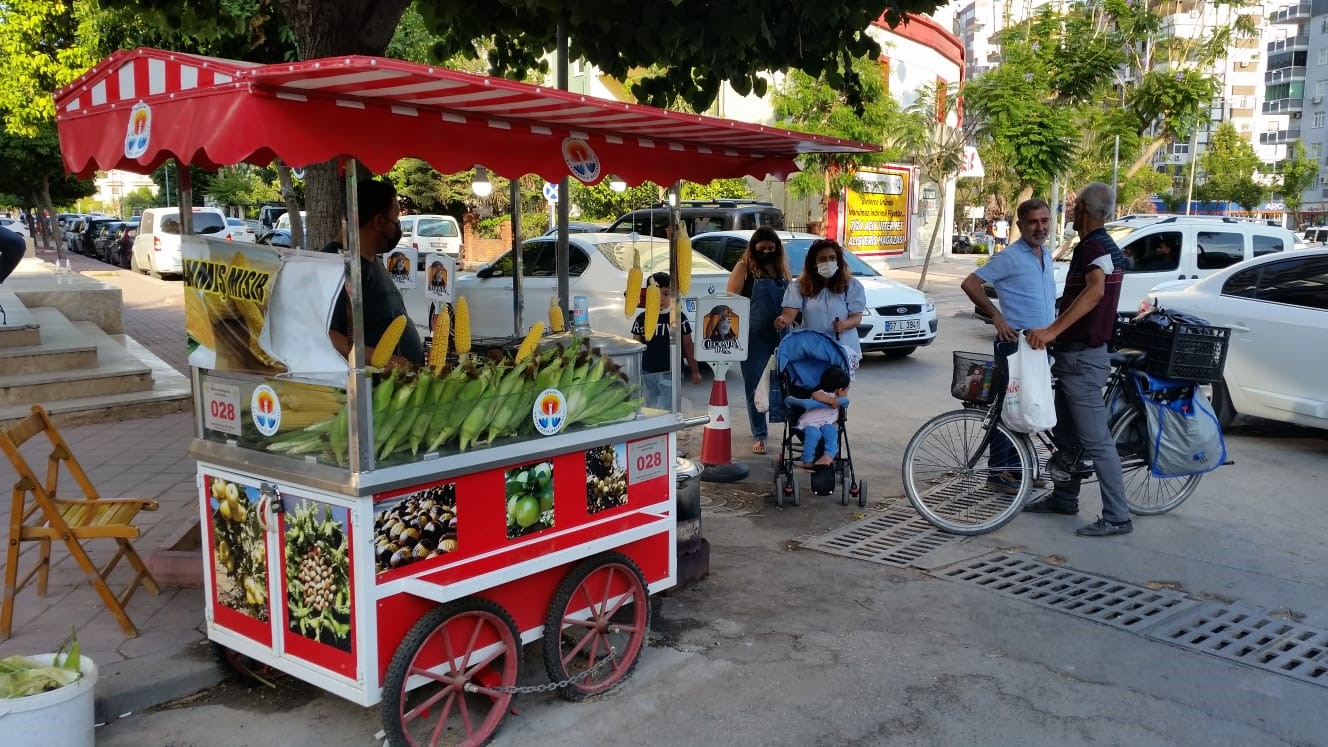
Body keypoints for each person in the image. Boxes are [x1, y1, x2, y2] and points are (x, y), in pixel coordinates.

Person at [1026, 182, 1131, 537]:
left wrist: (1053, 330)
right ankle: (1064, 498)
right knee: (1065, 435)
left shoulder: (1094, 245)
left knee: (1096, 440)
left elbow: (1095, 290)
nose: (1069, 210)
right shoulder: (1101, 246)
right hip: (1075, 357)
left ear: (1084, 209)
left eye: (1074, 205)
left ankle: (1118, 516)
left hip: (1084, 360)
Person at [960, 198, 1058, 495]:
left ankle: (1018, 470)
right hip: (1014, 345)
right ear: (1020, 226)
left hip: (1039, 346)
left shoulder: (1047, 255)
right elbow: (970, 284)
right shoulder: (1011, 256)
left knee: (1028, 408)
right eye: (1033, 222)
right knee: (1009, 409)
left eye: (1044, 221)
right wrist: (997, 317)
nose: (1040, 227)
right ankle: (999, 473)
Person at [329, 179, 425, 369]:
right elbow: (326, 334)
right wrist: (384, 360)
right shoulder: (335, 265)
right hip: (368, 390)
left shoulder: (371, 261)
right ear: (379, 222)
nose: (398, 225)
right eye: (396, 217)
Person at [727, 226, 790, 455]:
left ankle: (791, 432)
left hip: (782, 335)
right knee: (754, 386)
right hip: (753, 337)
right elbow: (731, 302)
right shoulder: (744, 268)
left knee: (785, 384)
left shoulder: (781, 269)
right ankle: (759, 434)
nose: (766, 252)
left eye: (770, 248)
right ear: (753, 248)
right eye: (761, 248)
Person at [774, 238, 867, 378]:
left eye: (832, 258)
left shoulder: (851, 285)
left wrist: (843, 324)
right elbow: (789, 313)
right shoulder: (799, 286)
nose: (828, 262)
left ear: (838, 261)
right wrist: (782, 320)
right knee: (814, 391)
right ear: (814, 263)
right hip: (812, 348)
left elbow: (856, 317)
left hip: (842, 348)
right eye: (822, 259)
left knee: (837, 393)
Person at [631, 272, 701, 409]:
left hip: (671, 371)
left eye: (666, 294)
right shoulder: (641, 319)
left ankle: (666, 429)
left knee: (666, 409)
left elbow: (688, 344)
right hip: (647, 372)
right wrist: (634, 373)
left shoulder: (679, 317)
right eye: (656, 294)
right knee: (651, 407)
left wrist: (694, 370)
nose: (661, 299)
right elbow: (636, 346)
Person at [786, 366, 850, 469]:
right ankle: (807, 460)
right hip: (810, 424)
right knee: (813, 433)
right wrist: (833, 402)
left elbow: (835, 415)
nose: (847, 392)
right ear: (840, 389)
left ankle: (829, 454)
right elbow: (815, 395)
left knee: (832, 430)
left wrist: (837, 422)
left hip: (826, 424)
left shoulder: (841, 400)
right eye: (847, 389)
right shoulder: (820, 393)